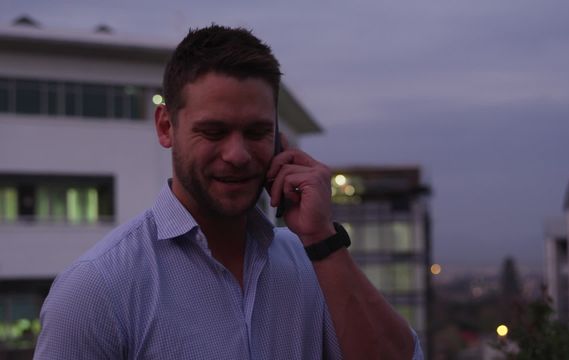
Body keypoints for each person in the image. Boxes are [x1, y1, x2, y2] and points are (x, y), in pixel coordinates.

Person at [34, 24, 423, 359]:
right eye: (214, 131)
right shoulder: (96, 289)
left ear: (278, 138)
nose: (237, 155)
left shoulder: (311, 265)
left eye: (256, 132)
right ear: (166, 126)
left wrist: (323, 241)